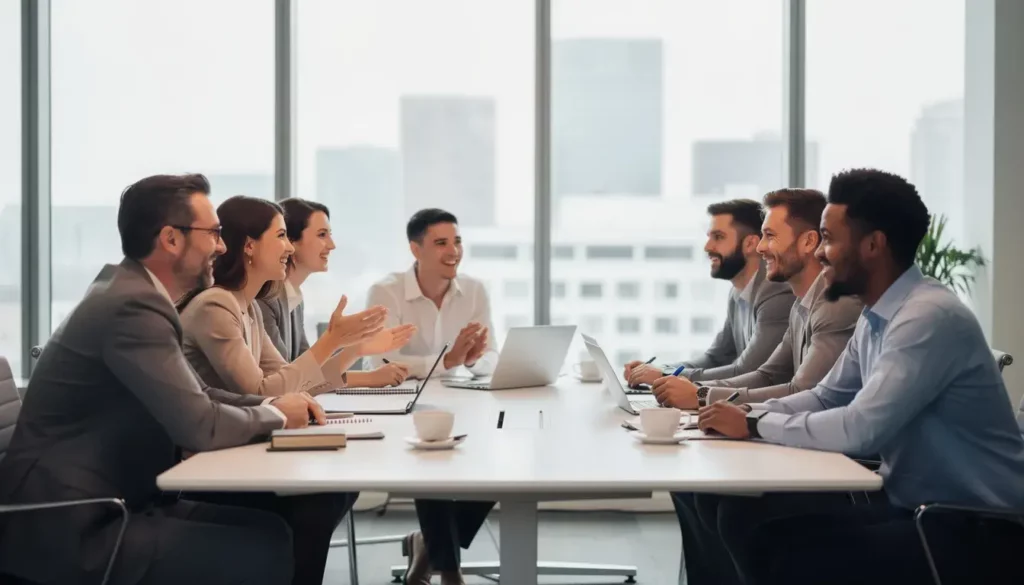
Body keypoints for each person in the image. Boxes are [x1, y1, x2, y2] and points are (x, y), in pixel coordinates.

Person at [690, 169, 1024, 585]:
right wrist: (742, 411)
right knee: (745, 515)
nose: (821, 253)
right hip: (908, 503)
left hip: (970, 528)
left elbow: (859, 427)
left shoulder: (926, 317)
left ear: (872, 245)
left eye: (829, 239)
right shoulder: (876, 312)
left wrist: (755, 423)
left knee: (779, 550)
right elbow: (827, 396)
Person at [0, 174, 333, 585]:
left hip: (116, 499)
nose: (223, 246)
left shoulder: (132, 291)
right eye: (213, 233)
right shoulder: (131, 306)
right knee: (263, 547)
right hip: (76, 526)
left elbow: (198, 395)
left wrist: (271, 406)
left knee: (274, 530)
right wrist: (279, 417)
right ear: (171, 239)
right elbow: (199, 423)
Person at [366, 208, 496, 585]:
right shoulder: (385, 292)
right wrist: (448, 360)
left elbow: (491, 353)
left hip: (465, 401)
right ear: (415, 249)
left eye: (456, 241)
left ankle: (428, 546)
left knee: (496, 464)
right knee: (431, 457)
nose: (453, 250)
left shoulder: (474, 290)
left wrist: (473, 361)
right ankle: (449, 571)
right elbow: (385, 361)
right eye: (441, 243)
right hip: (404, 407)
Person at [178, 196, 416, 398]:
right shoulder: (216, 305)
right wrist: (332, 341)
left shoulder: (248, 308)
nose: (289, 248)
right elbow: (262, 392)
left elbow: (295, 382)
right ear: (249, 246)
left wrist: (349, 347)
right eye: (281, 236)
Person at [650, 189, 861, 409]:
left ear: (808, 242)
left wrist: (702, 396)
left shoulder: (836, 305)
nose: (761, 248)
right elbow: (767, 375)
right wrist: (695, 390)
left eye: (770, 236)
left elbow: (803, 392)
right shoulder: (802, 303)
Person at [624, 199, 795, 385]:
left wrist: (666, 376)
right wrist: (659, 370)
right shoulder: (737, 292)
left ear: (750, 244)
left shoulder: (776, 291)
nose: (708, 247)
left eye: (718, 237)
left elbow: (748, 370)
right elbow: (715, 358)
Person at [258, 197, 411, 388]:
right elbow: (292, 380)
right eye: (322, 235)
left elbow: (310, 374)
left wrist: (357, 350)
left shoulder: (293, 296)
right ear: (292, 241)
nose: (332, 245)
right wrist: (340, 342)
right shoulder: (266, 299)